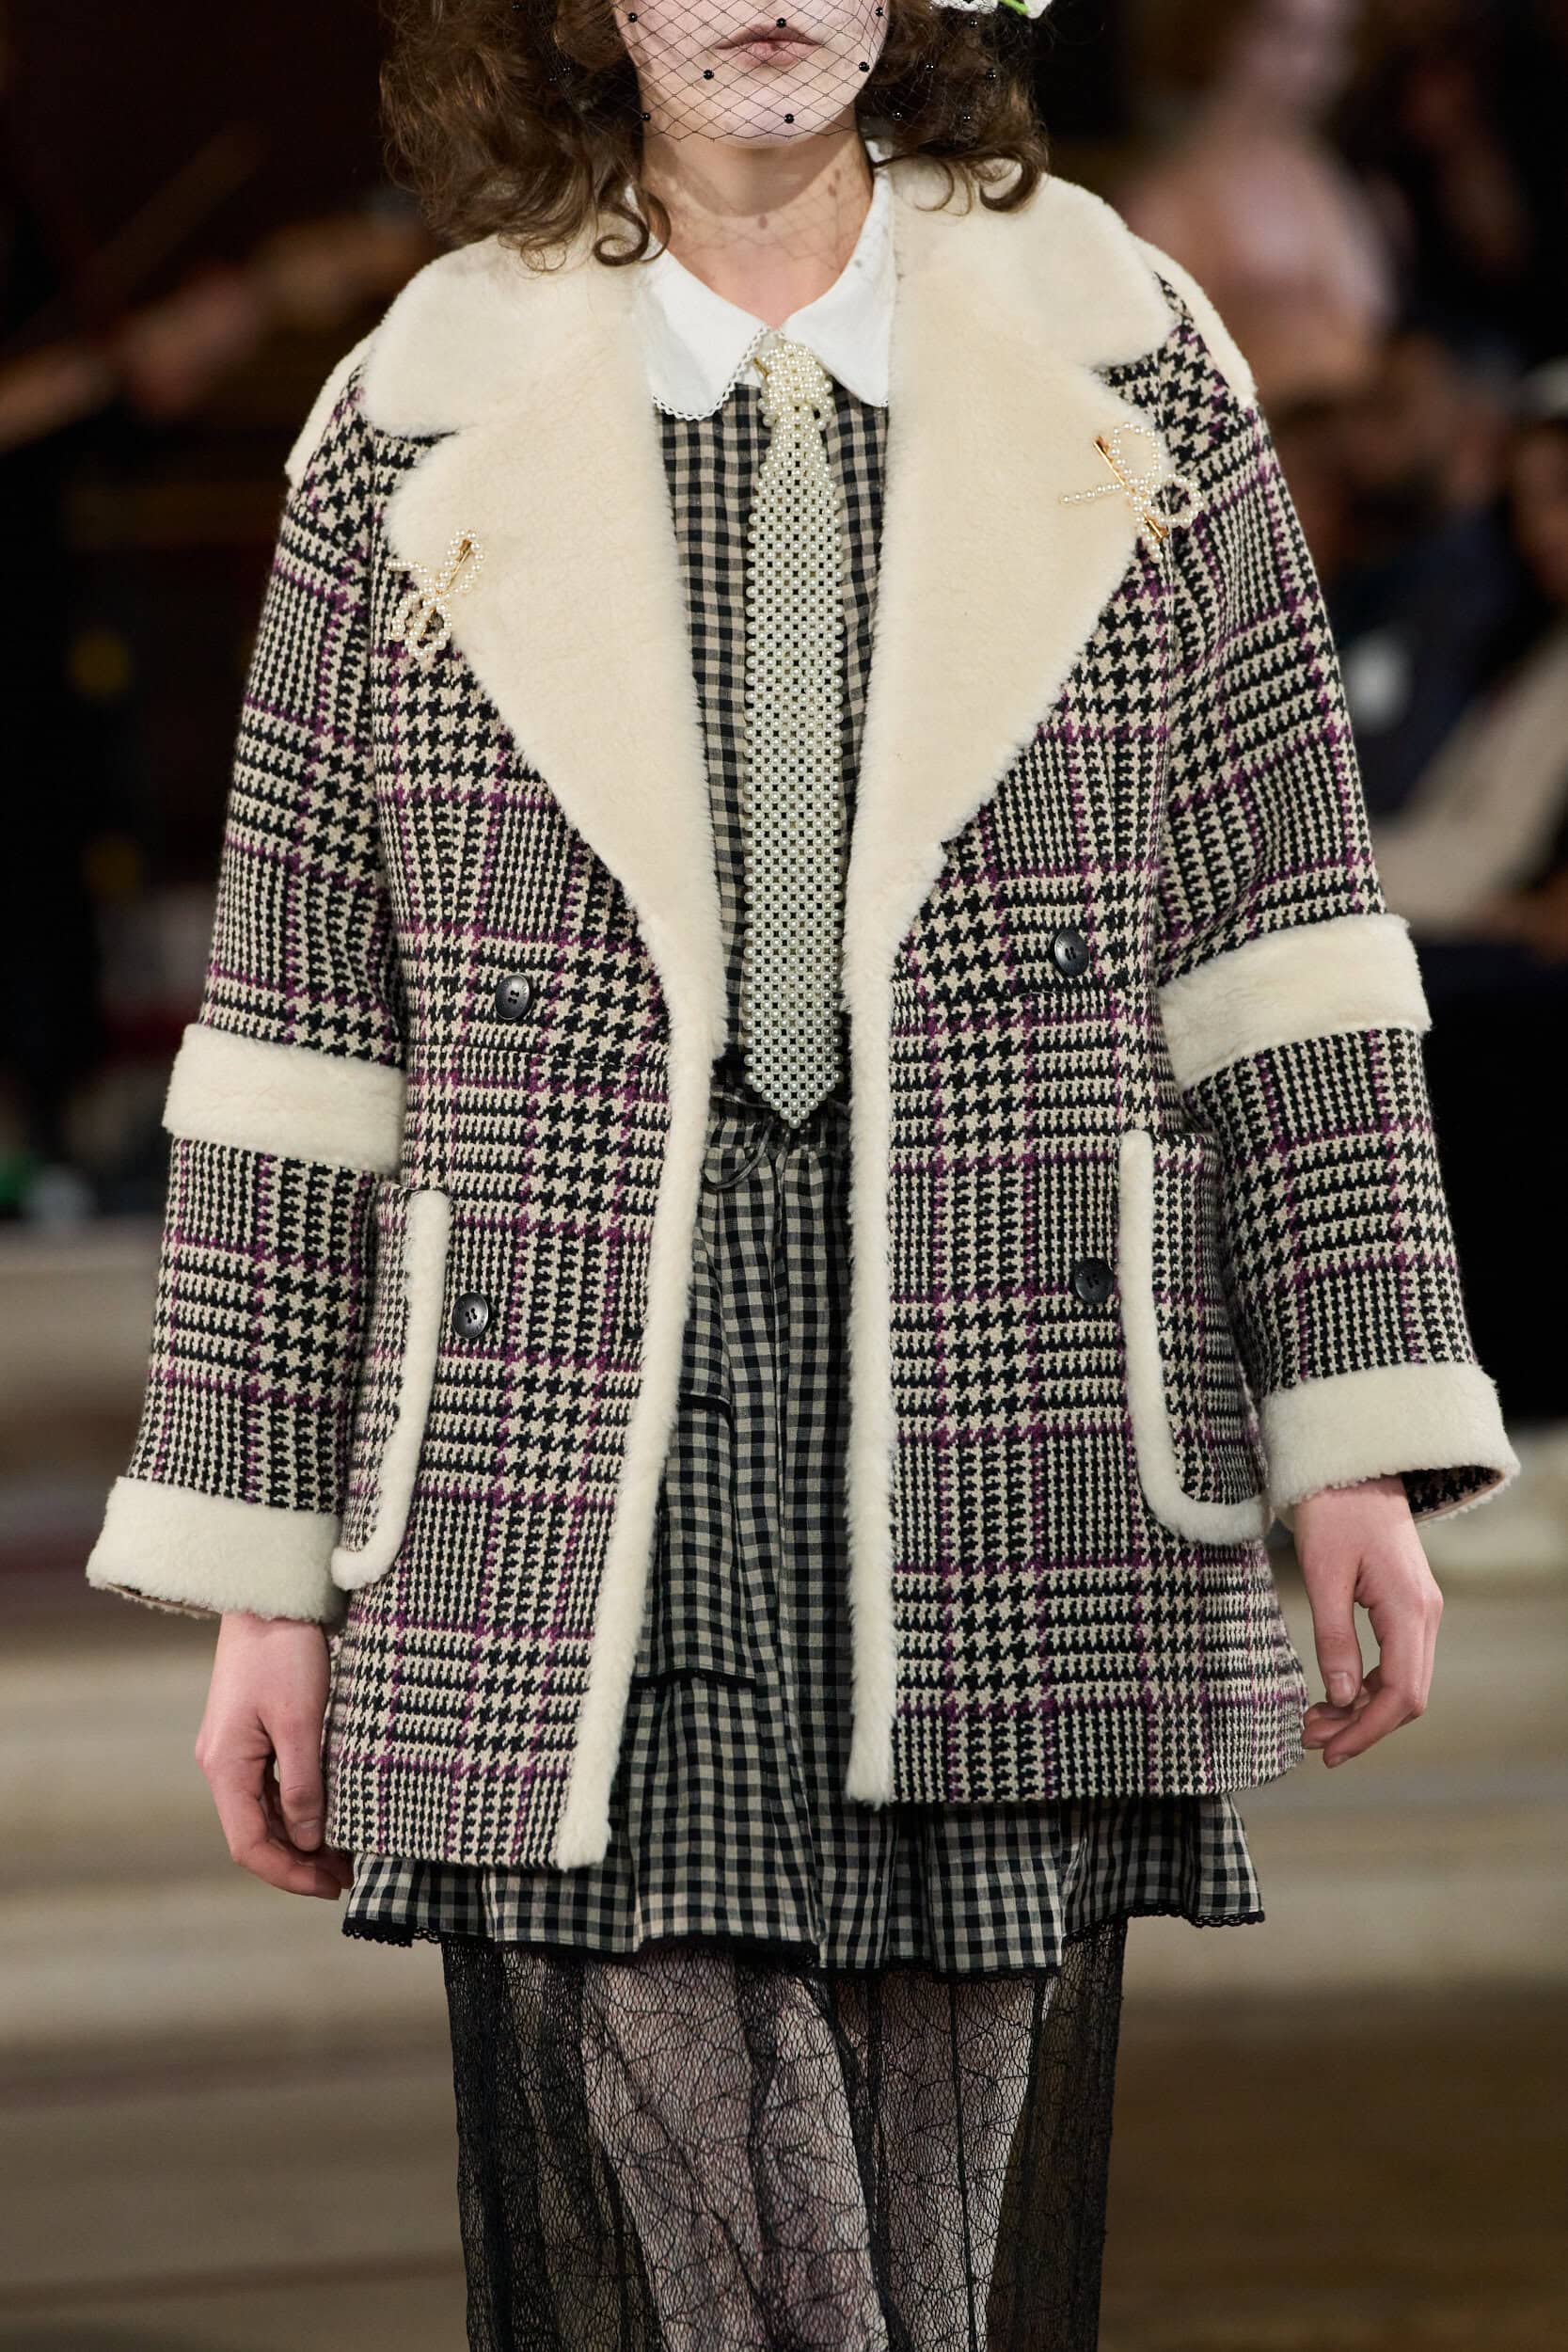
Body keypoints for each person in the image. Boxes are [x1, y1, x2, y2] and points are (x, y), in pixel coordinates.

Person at [83, 3, 1518, 2344]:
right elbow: (303, 1027)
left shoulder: (1129, 360)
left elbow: (1279, 933)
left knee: (945, 2232)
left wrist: (1351, 1427)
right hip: (569, 1424)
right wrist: (262, 1567)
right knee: (701, 2197)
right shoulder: (413, 409)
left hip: (1010, 1389)